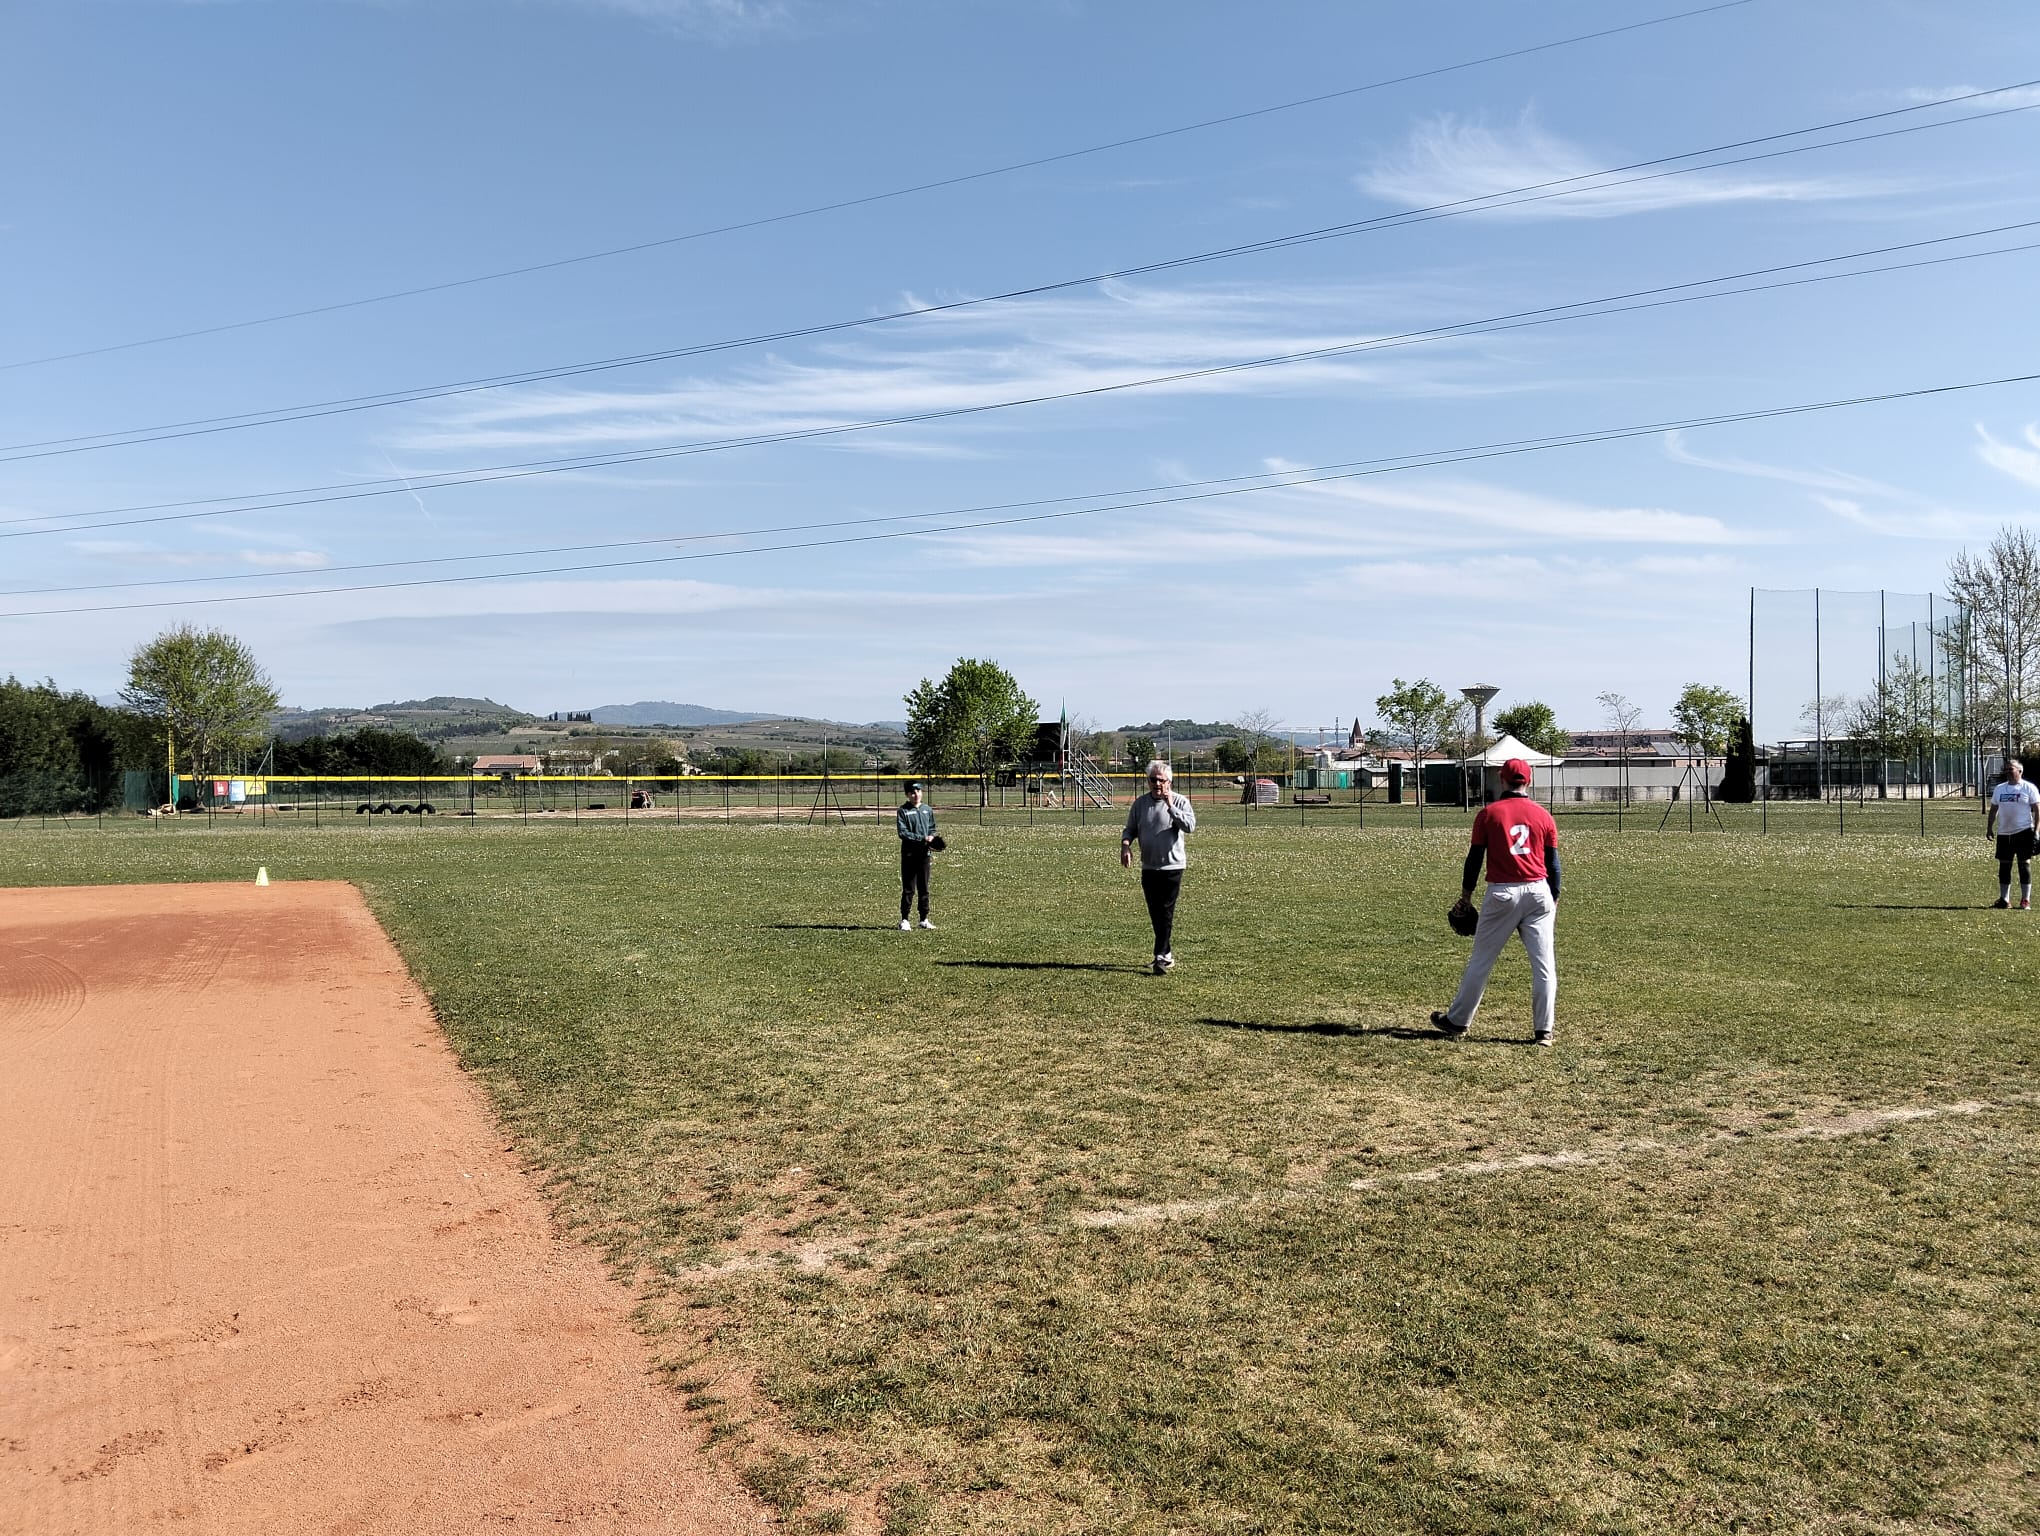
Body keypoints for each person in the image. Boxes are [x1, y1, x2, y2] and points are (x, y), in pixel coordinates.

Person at [1431, 757, 1562, 1046]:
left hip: (1503, 892)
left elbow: (1475, 858)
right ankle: (1544, 1031)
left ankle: (1458, 1021)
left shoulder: (1489, 814)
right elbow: (1553, 864)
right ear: (1528, 781)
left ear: (1502, 780)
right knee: (1544, 965)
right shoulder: (1543, 815)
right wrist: (1554, 896)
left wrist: (1466, 895)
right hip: (1539, 892)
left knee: (1481, 961)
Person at [1121, 759, 1196, 974]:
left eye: (1160, 780)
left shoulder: (1180, 802)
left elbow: (1189, 826)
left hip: (1172, 866)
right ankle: (1167, 955)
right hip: (1149, 866)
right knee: (1156, 912)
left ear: (1169, 782)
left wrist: (1171, 806)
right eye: (1152, 780)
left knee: (1165, 911)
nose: (1156, 784)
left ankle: (1160, 957)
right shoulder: (1140, 804)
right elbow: (1130, 830)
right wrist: (1125, 847)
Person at [1985, 757, 2040, 909]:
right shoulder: (2000, 788)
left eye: (2011, 769)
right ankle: (2004, 900)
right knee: (2004, 867)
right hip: (2004, 833)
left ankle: (2025, 900)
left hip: (2023, 832)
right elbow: (1994, 809)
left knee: (2024, 866)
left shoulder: (2029, 788)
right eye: (2007, 769)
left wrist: (2036, 832)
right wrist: (1989, 827)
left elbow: (2037, 811)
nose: (2008, 772)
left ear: (2020, 771)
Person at [896, 781, 937, 930]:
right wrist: (921, 838)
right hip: (909, 854)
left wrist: (932, 837)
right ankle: (905, 919)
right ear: (907, 794)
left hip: (924, 854)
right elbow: (903, 832)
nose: (916, 795)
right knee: (909, 888)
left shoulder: (927, 809)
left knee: (924, 887)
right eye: (912, 792)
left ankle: (924, 918)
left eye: (918, 791)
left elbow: (932, 827)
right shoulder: (903, 811)